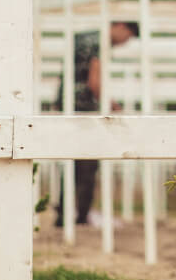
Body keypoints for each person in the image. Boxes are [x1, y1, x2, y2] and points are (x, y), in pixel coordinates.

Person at [54, 19, 138, 227]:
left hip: (67, 106)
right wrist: (113, 106)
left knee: (70, 163)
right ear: (121, 26)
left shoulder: (83, 38)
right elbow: (95, 82)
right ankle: (81, 215)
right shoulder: (100, 42)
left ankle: (64, 214)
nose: (124, 43)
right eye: (127, 37)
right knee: (88, 163)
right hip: (84, 109)